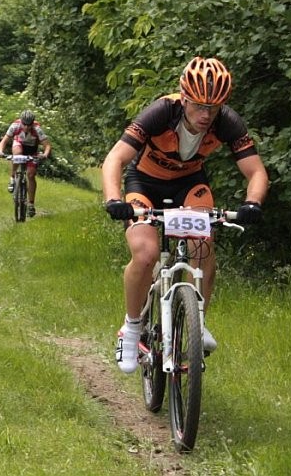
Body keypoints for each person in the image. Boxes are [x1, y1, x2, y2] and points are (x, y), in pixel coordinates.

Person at [101, 56, 268, 374]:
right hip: (144, 182)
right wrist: (113, 199)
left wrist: (253, 203)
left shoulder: (227, 121)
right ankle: (131, 329)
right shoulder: (162, 111)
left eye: (213, 108)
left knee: (202, 245)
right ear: (185, 98)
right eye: (200, 106)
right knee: (146, 253)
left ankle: (196, 324)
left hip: (189, 184)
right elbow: (115, 159)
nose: (206, 115)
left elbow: (256, 171)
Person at [0, 110, 51, 218]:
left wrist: (45, 155)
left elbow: (47, 145)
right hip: (19, 145)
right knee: (17, 154)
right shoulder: (15, 126)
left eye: (29, 125)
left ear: (32, 123)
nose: (26, 127)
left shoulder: (37, 129)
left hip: (32, 150)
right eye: (24, 124)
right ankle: (12, 178)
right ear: (21, 122)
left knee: (31, 175)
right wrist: (0, 151)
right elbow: (4, 141)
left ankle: (31, 204)